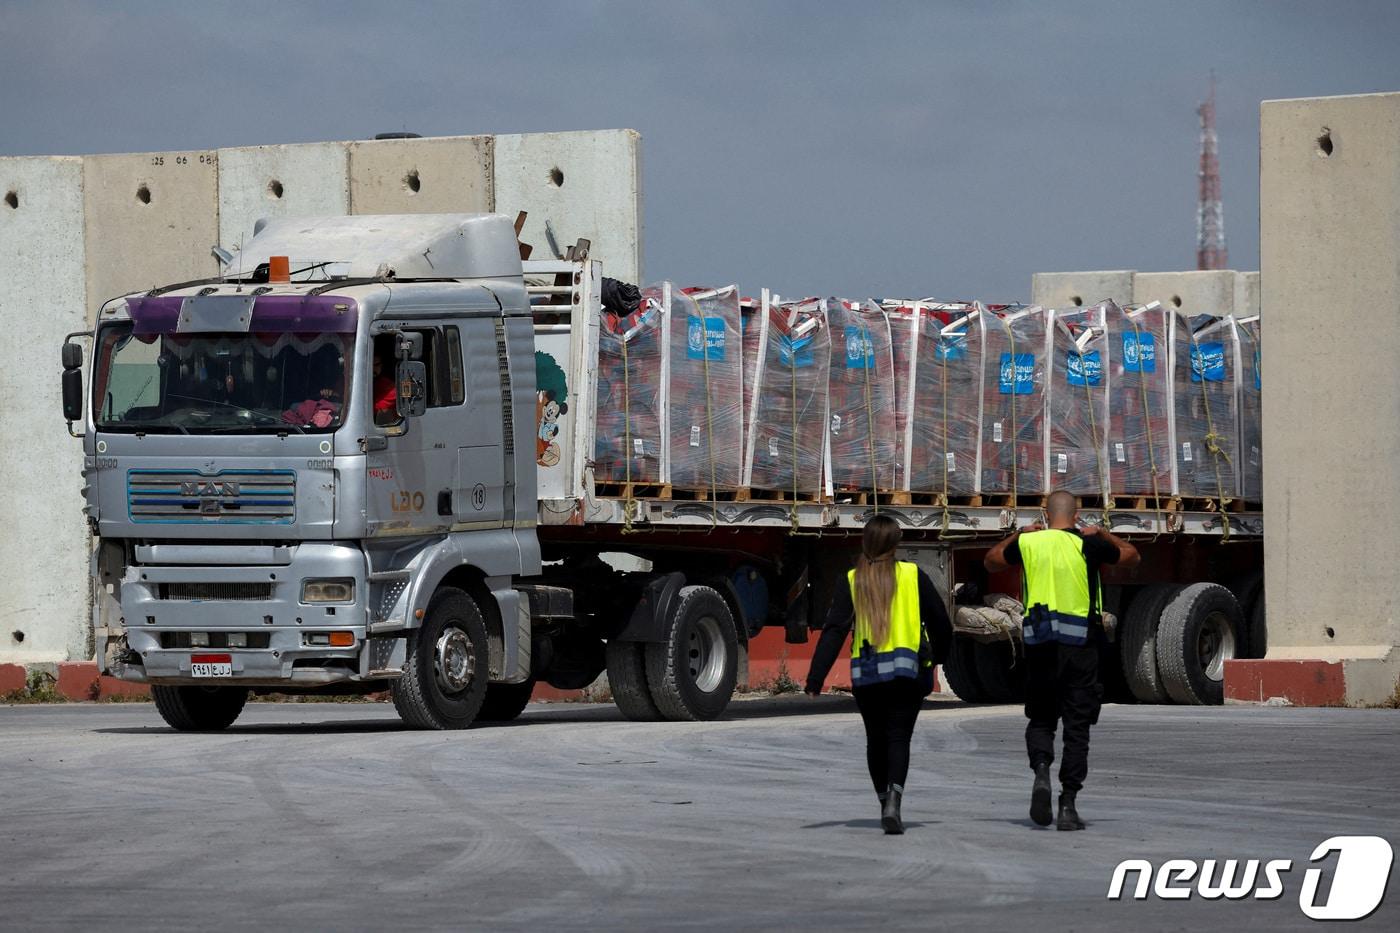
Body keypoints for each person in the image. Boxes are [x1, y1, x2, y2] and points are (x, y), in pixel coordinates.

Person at [983, 490, 1140, 831]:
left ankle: (1041, 771)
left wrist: (1019, 535)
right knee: (1077, 725)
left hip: (1040, 644)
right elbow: (1132, 556)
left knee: (1041, 718)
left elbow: (991, 560)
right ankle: (1068, 804)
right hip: (1081, 644)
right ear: (1077, 512)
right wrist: (1102, 533)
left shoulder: (1031, 543)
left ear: (1044, 512)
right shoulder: (1088, 544)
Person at [805, 515, 952, 835]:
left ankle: (883, 799)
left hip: (868, 674)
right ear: (896, 543)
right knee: (899, 737)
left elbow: (834, 630)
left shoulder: (853, 579)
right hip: (907, 673)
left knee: (876, 740)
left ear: (865, 542)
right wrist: (940, 657)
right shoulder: (914, 575)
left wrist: (816, 678)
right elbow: (940, 621)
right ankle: (894, 803)